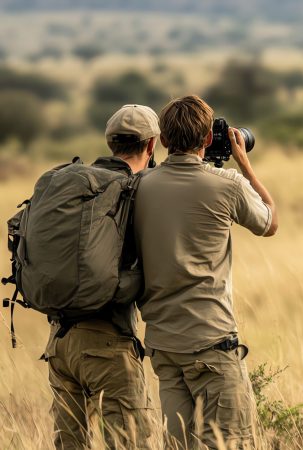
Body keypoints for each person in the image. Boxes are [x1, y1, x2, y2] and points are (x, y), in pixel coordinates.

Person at [134, 95, 278, 449]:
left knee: (179, 444)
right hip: (211, 340)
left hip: (164, 346)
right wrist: (244, 164)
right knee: (230, 442)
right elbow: (269, 222)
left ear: (163, 140)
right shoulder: (226, 184)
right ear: (208, 140)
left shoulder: (139, 186)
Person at [44, 105, 159, 449]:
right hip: (107, 343)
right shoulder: (131, 192)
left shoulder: (81, 185)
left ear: (110, 142)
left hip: (59, 342)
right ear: (151, 145)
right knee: (130, 443)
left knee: (70, 444)